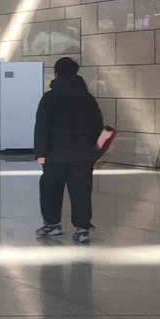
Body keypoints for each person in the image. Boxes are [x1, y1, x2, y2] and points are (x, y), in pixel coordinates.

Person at [34, 56, 104, 244]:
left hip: (54, 155)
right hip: (82, 155)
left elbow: (42, 127)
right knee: (81, 192)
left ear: (56, 73)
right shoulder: (87, 99)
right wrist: (96, 153)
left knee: (50, 190)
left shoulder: (50, 98)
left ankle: (52, 224)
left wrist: (40, 153)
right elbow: (98, 126)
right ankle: (82, 229)